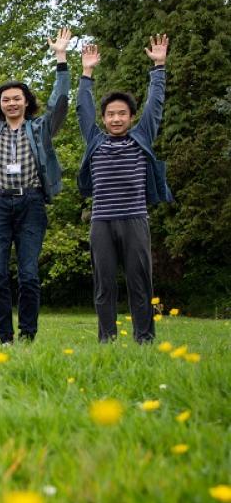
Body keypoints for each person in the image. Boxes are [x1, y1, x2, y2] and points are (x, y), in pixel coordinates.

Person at [0, 29, 72, 344]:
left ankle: (28, 334)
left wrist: (61, 59)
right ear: (0, 104)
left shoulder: (40, 129)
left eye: (16, 98)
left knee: (29, 274)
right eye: (5, 99)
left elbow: (60, 103)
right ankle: (3, 335)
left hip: (31, 204)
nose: (11, 103)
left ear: (26, 102)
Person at [77, 35, 173, 343]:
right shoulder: (96, 140)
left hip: (135, 220)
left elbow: (155, 105)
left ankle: (144, 339)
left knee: (140, 283)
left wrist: (159, 66)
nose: (116, 118)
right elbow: (83, 109)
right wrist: (87, 73)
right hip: (101, 222)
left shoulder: (140, 137)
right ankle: (107, 339)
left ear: (131, 118)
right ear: (104, 119)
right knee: (104, 285)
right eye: (111, 114)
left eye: (122, 114)